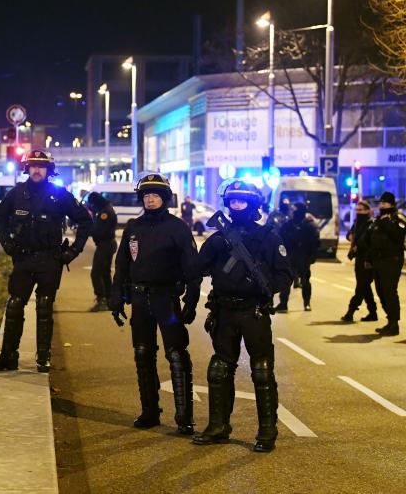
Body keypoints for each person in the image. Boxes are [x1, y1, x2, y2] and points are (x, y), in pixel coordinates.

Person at [192, 179, 293, 452]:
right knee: (219, 370)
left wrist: (268, 289)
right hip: (224, 310)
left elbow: (285, 273)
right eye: (233, 201)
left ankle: (267, 431)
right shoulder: (220, 238)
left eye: (242, 201)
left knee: (261, 371)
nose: (237, 206)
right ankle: (218, 426)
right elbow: (198, 268)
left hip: (254, 311)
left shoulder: (268, 237)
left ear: (253, 204)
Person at [109, 173, 201, 434]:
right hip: (140, 301)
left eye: (155, 195)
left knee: (176, 354)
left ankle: (184, 417)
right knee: (142, 353)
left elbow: (191, 267)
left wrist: (191, 300)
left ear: (165, 199)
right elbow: (122, 265)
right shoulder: (133, 228)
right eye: (146, 195)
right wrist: (116, 297)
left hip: (166, 300)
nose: (150, 199)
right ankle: (150, 411)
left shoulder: (178, 227)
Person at [0, 149, 92, 372]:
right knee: (15, 305)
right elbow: (0, 219)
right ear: (27, 168)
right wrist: (7, 245)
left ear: (48, 170)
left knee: (45, 306)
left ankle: (43, 356)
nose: (37, 170)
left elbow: (85, 220)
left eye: (41, 166)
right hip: (23, 258)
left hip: (50, 259)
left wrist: (73, 251)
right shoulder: (17, 193)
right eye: (33, 166)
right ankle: (9, 354)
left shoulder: (60, 195)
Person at [363, 192, 405, 336]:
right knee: (380, 291)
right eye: (381, 203)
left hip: (392, 260)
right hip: (378, 260)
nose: (382, 205)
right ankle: (390, 320)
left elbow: (398, 236)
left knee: (389, 291)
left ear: (391, 204)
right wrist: (368, 258)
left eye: (385, 203)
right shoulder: (378, 219)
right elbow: (371, 240)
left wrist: (385, 223)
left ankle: (394, 324)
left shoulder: (397, 218)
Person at [275, 202, 320, 312]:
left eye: (295, 210)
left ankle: (307, 303)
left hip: (303, 258)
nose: (293, 212)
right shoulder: (288, 224)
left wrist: (312, 256)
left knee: (305, 281)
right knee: (286, 281)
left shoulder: (309, 225)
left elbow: (315, 242)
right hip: (289, 257)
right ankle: (283, 303)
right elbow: (280, 240)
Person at [341, 201, 378, 322]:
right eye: (357, 210)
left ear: (368, 211)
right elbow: (349, 235)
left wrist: (358, 243)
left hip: (367, 260)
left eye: (361, 210)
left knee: (361, 287)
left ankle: (350, 312)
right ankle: (373, 313)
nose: (358, 212)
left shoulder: (371, 223)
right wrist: (352, 238)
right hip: (359, 258)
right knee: (365, 287)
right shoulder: (357, 223)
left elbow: (369, 242)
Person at [86, 191, 117, 312]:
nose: (91, 206)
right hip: (107, 244)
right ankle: (109, 299)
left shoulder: (105, 213)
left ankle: (102, 299)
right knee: (105, 272)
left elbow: (100, 231)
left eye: (92, 204)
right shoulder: (106, 209)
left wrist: (89, 231)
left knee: (96, 273)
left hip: (105, 245)